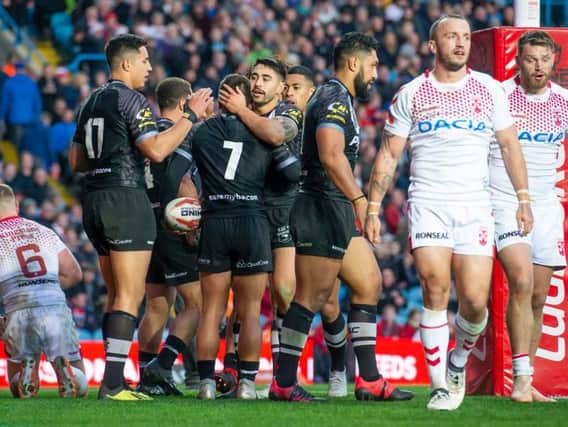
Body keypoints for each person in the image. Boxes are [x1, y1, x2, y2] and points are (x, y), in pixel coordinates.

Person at [365, 15, 533, 411]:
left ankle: (458, 360)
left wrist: (523, 198)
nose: (460, 43)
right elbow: (389, 154)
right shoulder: (412, 93)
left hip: (475, 205)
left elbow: (509, 146)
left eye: (464, 37)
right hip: (429, 204)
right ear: (432, 45)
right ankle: (440, 385)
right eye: (451, 37)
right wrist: (373, 208)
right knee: (435, 287)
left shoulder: (489, 90)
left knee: (475, 304)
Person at [269, 32, 413, 402]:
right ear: (354, 63)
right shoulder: (333, 97)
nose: (376, 73)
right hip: (321, 206)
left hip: (330, 207)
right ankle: (283, 383)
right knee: (310, 297)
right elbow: (332, 155)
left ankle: (368, 380)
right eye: (373, 64)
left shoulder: (336, 96)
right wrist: (361, 201)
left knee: (369, 282)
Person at [69, 33, 212, 401]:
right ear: (127, 63)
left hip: (94, 200)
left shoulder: (90, 101)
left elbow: (76, 161)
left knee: (116, 294)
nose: (150, 68)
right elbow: (157, 150)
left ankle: (116, 379)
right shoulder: (131, 100)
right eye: (145, 61)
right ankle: (114, 384)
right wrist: (190, 117)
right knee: (131, 296)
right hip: (124, 201)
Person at [192, 73, 300, 400]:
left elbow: (186, 170)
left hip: (214, 220)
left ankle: (207, 384)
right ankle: (248, 385)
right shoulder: (262, 133)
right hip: (252, 220)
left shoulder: (201, 132)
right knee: (250, 310)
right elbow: (293, 173)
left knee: (212, 309)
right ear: (244, 99)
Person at [489, 30, 567, 403]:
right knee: (519, 281)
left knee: (538, 296)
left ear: (555, 60)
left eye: (545, 59)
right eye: (531, 59)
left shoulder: (564, 102)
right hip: (504, 200)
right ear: (518, 60)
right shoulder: (499, 97)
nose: (539, 66)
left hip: (547, 205)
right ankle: (518, 382)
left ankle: (527, 378)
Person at [137, 77, 203, 397]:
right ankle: (162, 365)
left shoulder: (146, 135)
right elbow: (184, 184)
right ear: (183, 104)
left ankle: (145, 377)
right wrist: (192, 226)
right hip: (173, 228)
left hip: (146, 227)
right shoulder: (181, 135)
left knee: (157, 305)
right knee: (197, 303)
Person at [286, 65, 349, 397]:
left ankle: (340, 369)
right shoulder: (281, 124)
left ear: (310, 93)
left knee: (328, 303)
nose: (288, 93)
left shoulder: (320, 121)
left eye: (295, 87)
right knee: (295, 296)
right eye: (286, 87)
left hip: (323, 212)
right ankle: (278, 379)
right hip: (291, 215)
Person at [0, 183, 87, 399]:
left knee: (16, 386)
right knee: (81, 385)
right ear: (17, 205)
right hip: (53, 303)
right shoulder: (44, 231)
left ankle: (26, 371)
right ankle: (69, 371)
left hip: (17, 305)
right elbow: (74, 273)